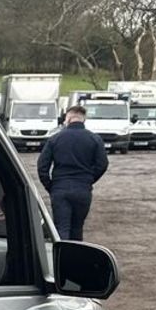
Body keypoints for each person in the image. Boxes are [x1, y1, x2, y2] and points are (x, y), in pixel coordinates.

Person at [37, 103, 108, 241]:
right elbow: (102, 164)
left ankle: (61, 259)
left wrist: (51, 186)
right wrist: (88, 179)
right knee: (77, 227)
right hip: (83, 189)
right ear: (83, 119)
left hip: (60, 188)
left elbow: (42, 166)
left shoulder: (55, 139)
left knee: (61, 228)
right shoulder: (95, 139)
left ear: (68, 119)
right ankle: (76, 258)